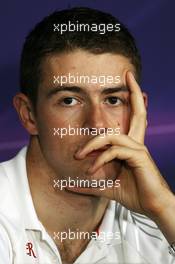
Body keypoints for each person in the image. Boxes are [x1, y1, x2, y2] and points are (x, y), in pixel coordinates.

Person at [0, 7, 175, 264]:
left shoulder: (160, 223)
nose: (97, 125)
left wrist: (164, 207)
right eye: (70, 100)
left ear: (141, 111)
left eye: (113, 99)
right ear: (29, 114)